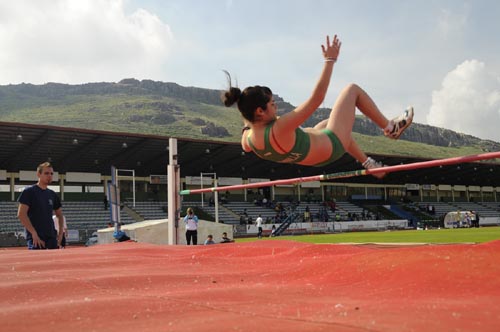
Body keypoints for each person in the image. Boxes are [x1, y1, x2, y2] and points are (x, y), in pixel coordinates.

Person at [222, 35, 414, 179]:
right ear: (260, 111)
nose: (277, 108)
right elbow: (316, 99)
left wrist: (246, 112)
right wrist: (330, 60)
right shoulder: (280, 128)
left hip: (315, 158)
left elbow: (247, 134)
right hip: (331, 147)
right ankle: (391, 128)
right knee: (351, 90)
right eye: (272, 105)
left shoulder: (248, 140)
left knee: (326, 123)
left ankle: (369, 164)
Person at [17, 162, 65, 250]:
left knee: (55, 262)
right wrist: (33, 233)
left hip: (51, 237)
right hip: (36, 238)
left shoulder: (52, 194)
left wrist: (61, 233)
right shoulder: (29, 192)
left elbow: (60, 215)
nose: (49, 176)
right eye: (46, 173)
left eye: (51, 173)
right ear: (38, 174)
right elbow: (21, 214)